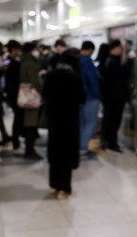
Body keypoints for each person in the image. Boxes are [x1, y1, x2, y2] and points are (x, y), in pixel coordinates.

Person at [43, 49, 85, 199]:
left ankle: (54, 185)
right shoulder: (74, 78)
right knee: (67, 153)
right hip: (69, 120)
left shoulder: (50, 76)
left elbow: (45, 95)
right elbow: (81, 98)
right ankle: (65, 189)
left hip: (54, 119)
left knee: (55, 151)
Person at [100, 39, 131, 154]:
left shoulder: (111, 60)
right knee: (113, 122)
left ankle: (108, 142)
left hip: (113, 97)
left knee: (110, 121)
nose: (121, 51)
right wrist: (129, 62)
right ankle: (111, 144)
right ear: (115, 48)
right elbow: (122, 74)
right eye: (120, 48)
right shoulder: (111, 62)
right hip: (114, 98)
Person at [20, 42, 43, 160]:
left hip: (25, 95)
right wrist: (42, 93)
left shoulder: (23, 61)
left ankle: (29, 149)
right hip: (32, 96)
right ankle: (29, 151)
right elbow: (35, 82)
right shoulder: (31, 63)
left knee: (29, 123)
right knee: (31, 124)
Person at [79, 41, 101, 157]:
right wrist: (98, 96)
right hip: (90, 97)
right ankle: (83, 147)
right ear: (91, 50)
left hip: (79, 97)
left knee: (82, 123)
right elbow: (93, 81)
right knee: (90, 123)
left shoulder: (76, 60)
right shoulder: (87, 62)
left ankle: (79, 146)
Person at [4, 40, 23, 150]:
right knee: (18, 117)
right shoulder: (15, 63)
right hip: (15, 93)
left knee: (18, 117)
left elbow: (3, 69)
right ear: (14, 50)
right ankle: (16, 140)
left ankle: (16, 138)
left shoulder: (7, 61)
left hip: (11, 93)